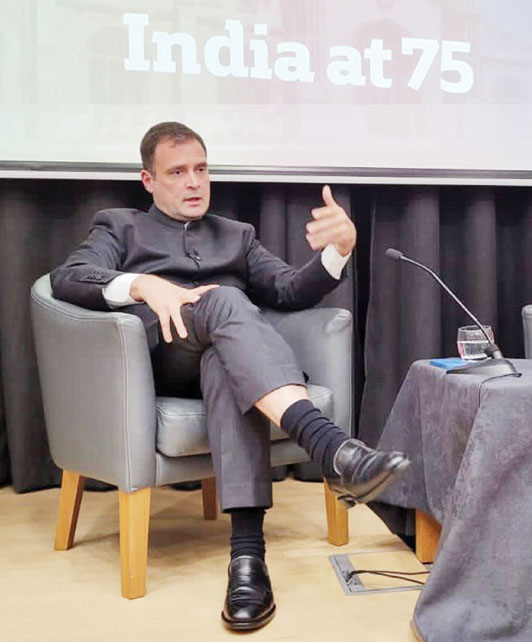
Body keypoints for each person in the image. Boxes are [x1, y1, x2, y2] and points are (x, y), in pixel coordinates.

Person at [50, 121, 410, 631]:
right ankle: (331, 448)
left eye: (201, 169)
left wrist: (340, 250)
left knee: (225, 359)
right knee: (225, 299)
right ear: (148, 180)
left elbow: (289, 290)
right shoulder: (119, 226)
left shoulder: (236, 235)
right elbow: (68, 277)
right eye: (177, 172)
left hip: (230, 363)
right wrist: (142, 285)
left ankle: (247, 560)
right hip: (159, 362)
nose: (194, 182)